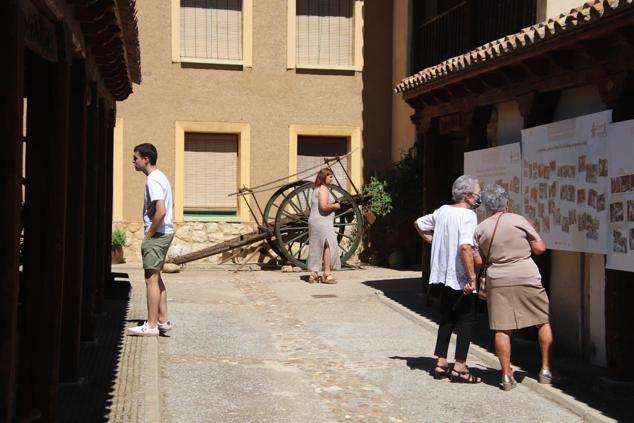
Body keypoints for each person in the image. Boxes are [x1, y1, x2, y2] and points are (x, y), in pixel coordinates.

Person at [474, 184, 553, 391]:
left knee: (502, 328)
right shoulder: (519, 220)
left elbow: (479, 261)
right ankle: (545, 369)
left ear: (487, 206)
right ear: (506, 202)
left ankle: (506, 376)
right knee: (542, 321)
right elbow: (540, 248)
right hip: (526, 275)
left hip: (498, 279)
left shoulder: (481, 228)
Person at [414, 175, 482, 383]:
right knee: (467, 319)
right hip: (459, 274)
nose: (479, 197)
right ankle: (460, 366)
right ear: (468, 195)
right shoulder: (468, 216)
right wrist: (472, 278)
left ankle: (441, 361)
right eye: (478, 193)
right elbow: (465, 247)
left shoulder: (442, 211)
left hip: (443, 273)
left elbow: (419, 223)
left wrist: (432, 241)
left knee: (446, 316)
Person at [127, 143, 175, 336]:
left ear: (146, 159)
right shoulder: (159, 177)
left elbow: (161, 211)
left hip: (157, 235)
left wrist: (149, 234)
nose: (133, 161)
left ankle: (152, 324)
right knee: (157, 277)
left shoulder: (153, 180)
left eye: (135, 158)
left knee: (150, 279)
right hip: (164, 233)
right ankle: (163, 320)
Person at [307, 168, 341, 284]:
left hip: (315, 220)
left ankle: (313, 275)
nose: (332, 178)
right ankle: (326, 274)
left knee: (316, 246)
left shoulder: (316, 189)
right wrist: (335, 206)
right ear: (323, 178)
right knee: (328, 245)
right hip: (323, 221)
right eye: (330, 176)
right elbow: (324, 206)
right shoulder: (324, 189)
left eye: (332, 176)